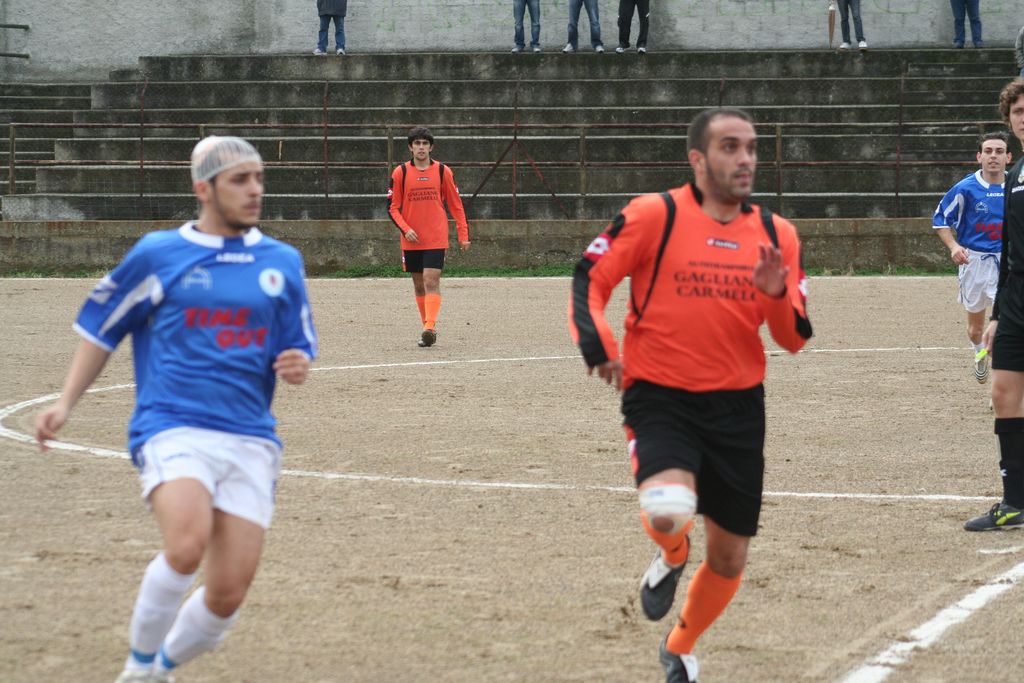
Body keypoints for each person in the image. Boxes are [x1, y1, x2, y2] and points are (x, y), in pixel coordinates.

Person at [34, 136, 319, 682]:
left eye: (259, 178)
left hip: (251, 436)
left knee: (227, 595)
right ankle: (138, 667)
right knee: (186, 546)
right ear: (203, 188)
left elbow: (297, 341)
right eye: (240, 179)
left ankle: (160, 667)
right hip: (172, 425)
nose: (255, 190)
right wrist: (65, 402)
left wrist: (297, 362)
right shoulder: (158, 254)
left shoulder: (281, 261)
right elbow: (101, 330)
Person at [569, 107, 812, 682]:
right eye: (730, 147)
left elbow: (793, 338)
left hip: (738, 407)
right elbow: (590, 277)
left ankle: (680, 644)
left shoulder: (777, 234)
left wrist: (774, 293)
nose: (746, 158)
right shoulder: (655, 214)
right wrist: (599, 343)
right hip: (660, 395)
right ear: (698, 159)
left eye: (751, 147)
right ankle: (672, 554)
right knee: (669, 508)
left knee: (729, 557)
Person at [966, 80, 1024, 532]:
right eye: (1018, 111)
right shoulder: (1016, 175)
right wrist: (998, 314)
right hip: (1017, 302)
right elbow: (1008, 253)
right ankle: (1015, 502)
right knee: (1003, 395)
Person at [932, 131, 1011, 385]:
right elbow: (940, 219)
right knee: (975, 329)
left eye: (999, 151)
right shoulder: (965, 188)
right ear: (979, 156)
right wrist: (954, 246)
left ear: (1008, 157)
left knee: (1007, 327)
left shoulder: (1017, 187)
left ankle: (1002, 384)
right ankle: (979, 352)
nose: (993, 156)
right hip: (973, 262)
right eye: (988, 151)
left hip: (1008, 264)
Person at [387, 127, 470, 348]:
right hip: (411, 239)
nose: (421, 147)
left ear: (431, 147)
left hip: (436, 236)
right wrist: (406, 229)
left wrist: (463, 234)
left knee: (431, 281)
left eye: (425, 143)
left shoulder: (443, 171)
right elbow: (392, 207)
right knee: (418, 286)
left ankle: (429, 328)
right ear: (410, 147)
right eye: (417, 143)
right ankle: (427, 327)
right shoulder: (400, 173)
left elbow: (456, 206)